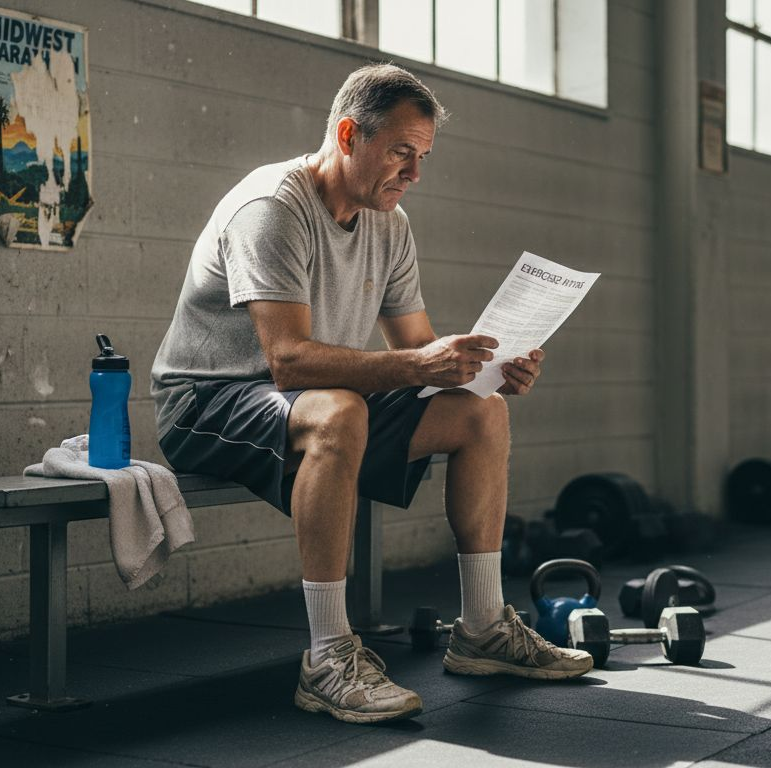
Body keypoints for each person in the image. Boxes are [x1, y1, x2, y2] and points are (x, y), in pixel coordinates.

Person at [150, 63, 590, 725]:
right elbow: (289, 362)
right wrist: (419, 363)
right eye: (401, 154)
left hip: (318, 399)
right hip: (208, 400)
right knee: (339, 408)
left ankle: (483, 629)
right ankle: (327, 657)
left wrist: (479, 369)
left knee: (480, 413)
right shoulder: (272, 207)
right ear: (350, 133)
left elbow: (415, 346)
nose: (414, 174)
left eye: (423, 158)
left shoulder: (391, 224)